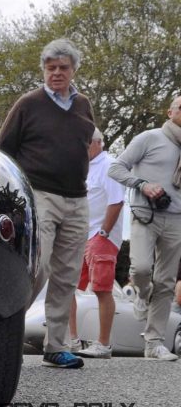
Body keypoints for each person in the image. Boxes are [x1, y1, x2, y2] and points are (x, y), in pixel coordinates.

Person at [0, 38, 96, 369]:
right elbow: (3, 151)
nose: (56, 73)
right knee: (37, 268)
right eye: (50, 67)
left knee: (68, 276)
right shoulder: (28, 103)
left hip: (77, 198)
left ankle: (56, 346)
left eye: (62, 67)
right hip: (39, 195)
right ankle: (0, 335)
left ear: (73, 70)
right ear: (43, 69)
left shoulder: (83, 105)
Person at [108, 95, 181, 361]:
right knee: (140, 269)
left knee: (166, 281)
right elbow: (116, 168)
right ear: (169, 112)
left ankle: (154, 343)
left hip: (177, 219)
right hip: (145, 214)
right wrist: (142, 185)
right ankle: (141, 292)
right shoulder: (148, 138)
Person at [68, 128, 124, 359]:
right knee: (66, 286)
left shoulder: (110, 165)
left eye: (84, 143)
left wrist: (104, 232)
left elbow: (117, 201)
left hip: (101, 236)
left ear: (97, 143)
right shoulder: (84, 166)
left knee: (102, 288)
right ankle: (71, 340)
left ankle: (103, 343)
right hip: (80, 234)